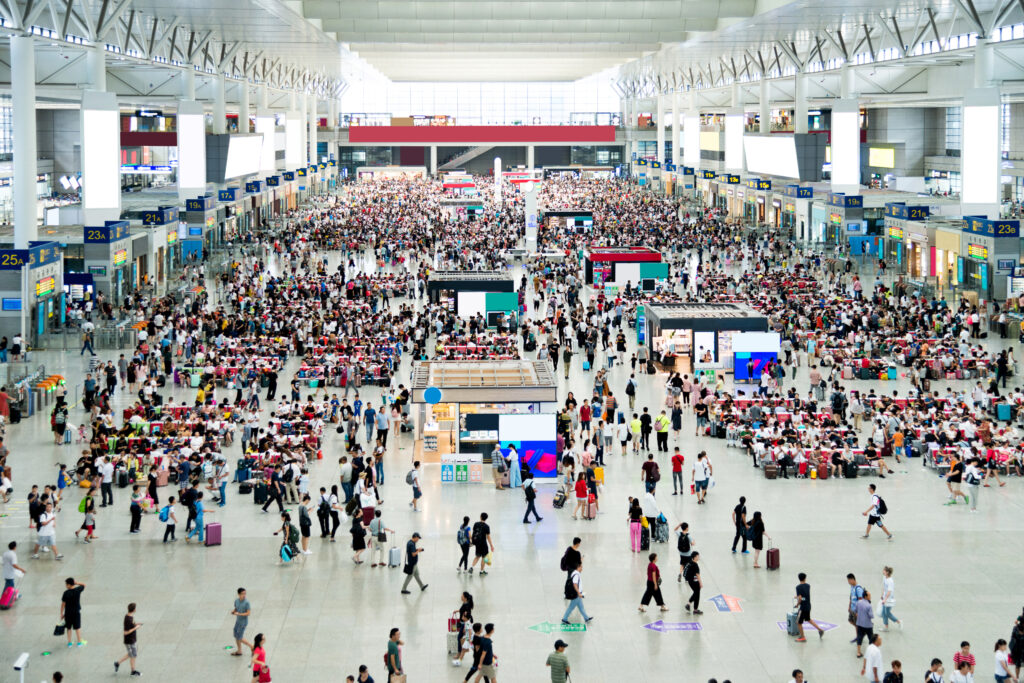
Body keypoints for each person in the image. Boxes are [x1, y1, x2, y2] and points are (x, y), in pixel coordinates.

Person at [793, 573, 825, 641]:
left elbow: (800, 598)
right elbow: (804, 594)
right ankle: (820, 630)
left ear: (799, 578)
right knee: (808, 619)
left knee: (798, 622)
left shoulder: (798, 587)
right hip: (808, 606)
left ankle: (802, 637)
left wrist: (797, 604)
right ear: (805, 578)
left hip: (803, 608)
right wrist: (798, 596)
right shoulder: (808, 586)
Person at [113, 602, 141, 676]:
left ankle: (117, 663)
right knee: (133, 655)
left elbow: (131, 625)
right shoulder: (128, 619)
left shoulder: (129, 616)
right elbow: (125, 632)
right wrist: (136, 627)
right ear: (134, 609)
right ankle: (133, 671)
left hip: (132, 639)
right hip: (129, 641)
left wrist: (136, 624)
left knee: (132, 654)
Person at [561, 559, 592, 624]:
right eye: (581, 567)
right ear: (578, 567)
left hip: (578, 594)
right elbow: (575, 585)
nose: (582, 569)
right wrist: (579, 593)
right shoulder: (576, 575)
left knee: (581, 607)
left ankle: (586, 618)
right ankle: (564, 619)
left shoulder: (575, 573)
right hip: (576, 594)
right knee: (571, 607)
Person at [60, 577, 86, 648]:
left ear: (69, 585)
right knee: (77, 628)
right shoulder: (77, 590)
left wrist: (61, 614)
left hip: (68, 613)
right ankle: (79, 642)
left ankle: (69, 642)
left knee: (68, 628)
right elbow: (84, 585)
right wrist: (77, 583)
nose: (65, 585)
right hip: (76, 612)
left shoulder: (65, 593)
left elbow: (63, 604)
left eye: (66, 584)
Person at [231, 588, 253, 656]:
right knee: (235, 635)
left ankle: (252, 646)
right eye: (242, 594)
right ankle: (239, 650)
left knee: (239, 637)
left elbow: (248, 613)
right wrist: (234, 611)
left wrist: (239, 614)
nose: (244, 595)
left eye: (245, 593)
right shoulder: (236, 601)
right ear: (239, 594)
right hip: (238, 621)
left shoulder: (247, 603)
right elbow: (236, 608)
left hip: (243, 622)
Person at [879, 566, 902, 630]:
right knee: (884, 613)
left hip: (889, 599)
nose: (883, 571)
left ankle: (899, 622)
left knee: (887, 613)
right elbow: (883, 586)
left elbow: (889, 591)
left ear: (887, 572)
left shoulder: (890, 581)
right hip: (884, 598)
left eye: (884, 570)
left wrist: (885, 599)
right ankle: (886, 627)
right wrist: (882, 595)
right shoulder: (884, 578)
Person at [854, 592, 874, 658]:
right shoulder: (869, 605)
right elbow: (871, 616)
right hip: (868, 625)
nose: (870, 596)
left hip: (859, 623)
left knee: (859, 637)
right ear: (866, 596)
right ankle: (871, 653)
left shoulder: (858, 602)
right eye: (869, 595)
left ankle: (858, 652)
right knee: (871, 638)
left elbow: (855, 611)